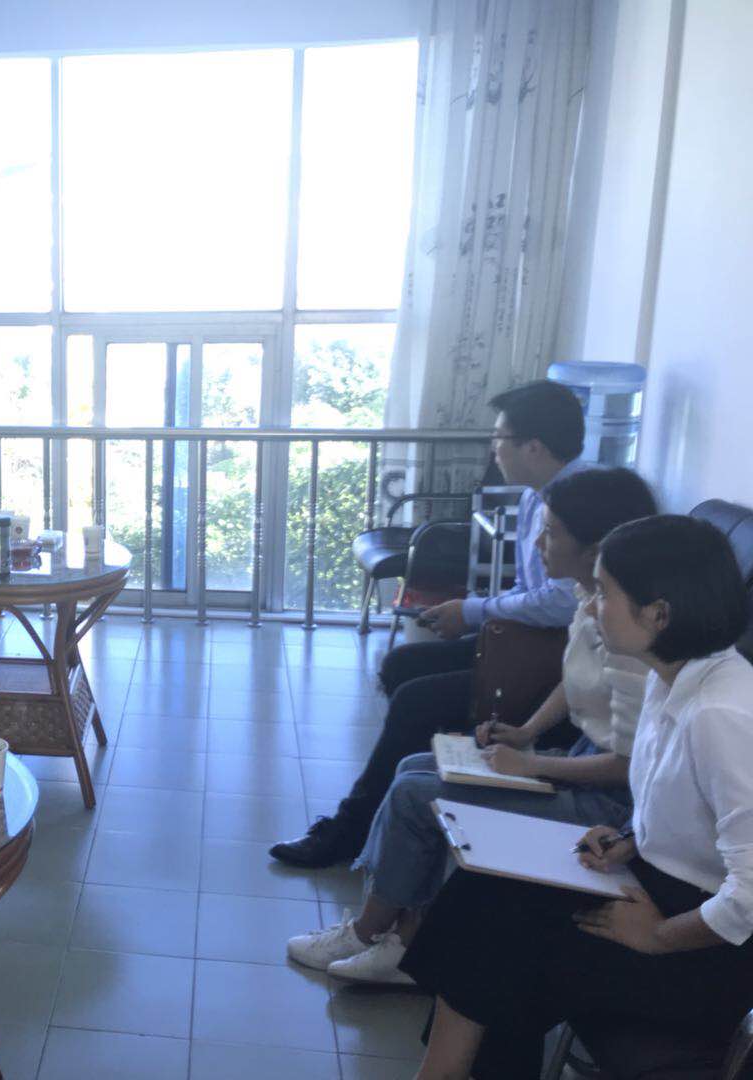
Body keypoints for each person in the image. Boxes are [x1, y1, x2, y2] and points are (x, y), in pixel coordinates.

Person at [401, 515, 753, 1080]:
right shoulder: (674, 680)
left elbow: (749, 895)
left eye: (604, 594)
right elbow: (693, 810)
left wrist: (658, 938)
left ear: (659, 614)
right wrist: (630, 841)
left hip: (708, 952)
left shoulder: (721, 713)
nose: (590, 608)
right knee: (482, 891)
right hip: (664, 890)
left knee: (499, 942)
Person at [286, 467, 657, 985]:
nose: (538, 543)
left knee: (416, 794)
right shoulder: (591, 597)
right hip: (577, 761)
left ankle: (374, 937)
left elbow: (632, 767)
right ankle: (406, 935)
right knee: (415, 765)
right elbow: (575, 680)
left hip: (610, 808)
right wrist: (526, 732)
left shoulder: (631, 634)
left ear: (594, 548)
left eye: (551, 533)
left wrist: (532, 765)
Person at [271, 379, 592, 867]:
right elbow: (530, 588)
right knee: (401, 666)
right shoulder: (537, 496)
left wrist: (474, 611)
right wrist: (472, 606)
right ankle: (414, 802)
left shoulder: (578, 504)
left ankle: (351, 830)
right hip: (528, 645)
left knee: (415, 699)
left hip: (552, 662)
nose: (494, 448)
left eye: (500, 438)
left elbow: (561, 603)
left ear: (534, 446)